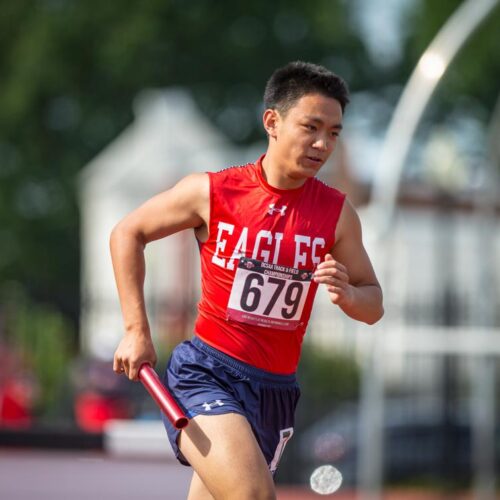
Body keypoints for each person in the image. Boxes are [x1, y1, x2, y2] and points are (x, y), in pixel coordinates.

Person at [111, 61, 383, 500]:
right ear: (272, 122)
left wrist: (350, 294)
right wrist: (135, 330)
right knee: (253, 496)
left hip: (275, 390)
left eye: (334, 133)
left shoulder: (337, 214)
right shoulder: (213, 191)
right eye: (310, 127)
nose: (322, 144)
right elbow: (128, 231)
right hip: (207, 375)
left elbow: (374, 303)